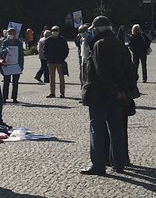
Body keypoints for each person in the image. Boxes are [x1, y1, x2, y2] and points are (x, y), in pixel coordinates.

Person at [80, 16, 137, 175]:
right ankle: (118, 163)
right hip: (118, 95)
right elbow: (131, 69)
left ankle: (98, 165)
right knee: (116, 129)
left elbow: (101, 71)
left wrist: (114, 88)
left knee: (97, 130)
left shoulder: (99, 45)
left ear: (97, 30)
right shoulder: (120, 44)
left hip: (100, 95)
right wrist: (123, 89)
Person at [0, 27, 24, 103]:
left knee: (15, 82)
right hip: (7, 64)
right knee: (6, 81)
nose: (11, 35)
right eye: (9, 33)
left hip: (16, 64)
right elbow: (1, 52)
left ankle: (14, 97)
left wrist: (21, 65)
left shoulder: (18, 43)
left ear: (15, 34)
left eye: (12, 33)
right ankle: (4, 97)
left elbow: (21, 55)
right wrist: (5, 50)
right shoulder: (5, 42)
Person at [44, 26, 70, 98]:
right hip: (51, 61)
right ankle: (52, 93)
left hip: (60, 61)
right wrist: (48, 58)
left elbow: (66, 50)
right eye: (53, 30)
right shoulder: (48, 40)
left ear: (59, 31)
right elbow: (45, 50)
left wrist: (63, 58)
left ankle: (62, 93)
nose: (54, 32)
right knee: (51, 78)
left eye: (56, 30)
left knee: (61, 77)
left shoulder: (62, 40)